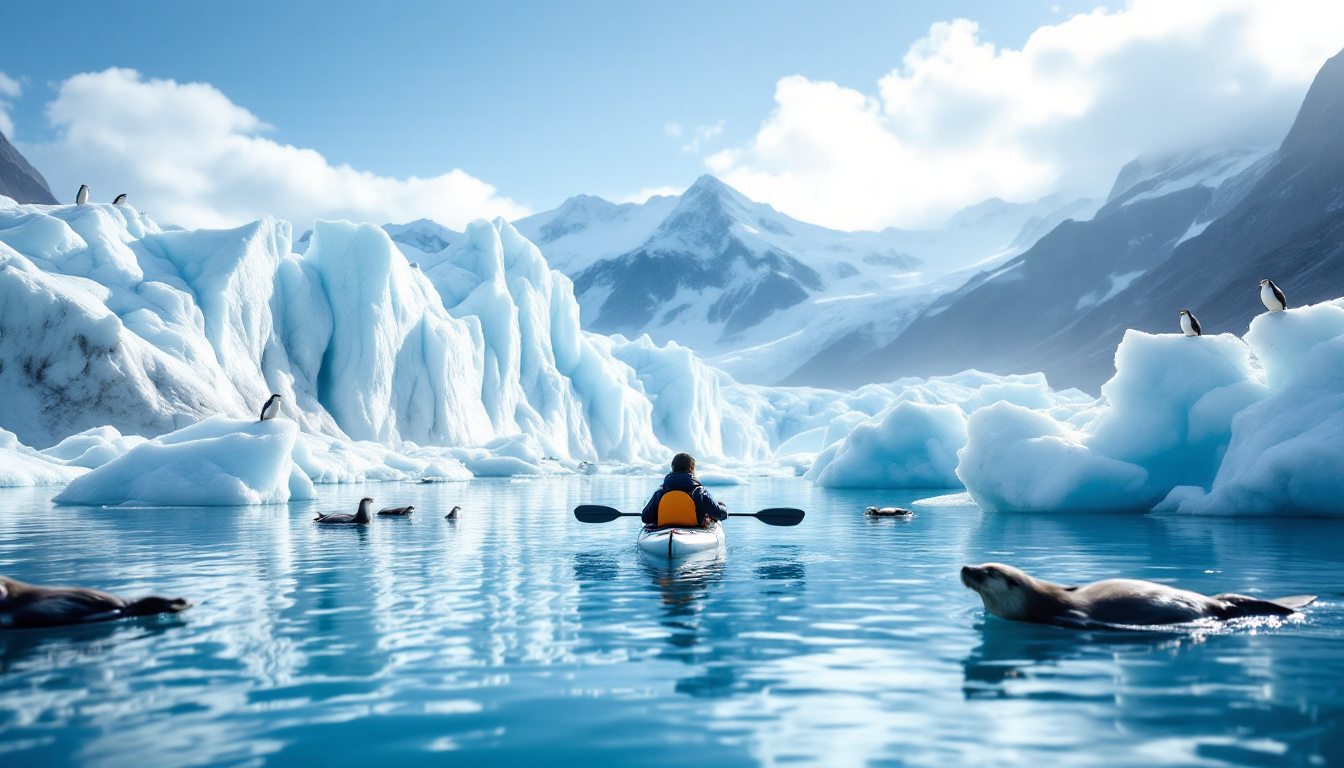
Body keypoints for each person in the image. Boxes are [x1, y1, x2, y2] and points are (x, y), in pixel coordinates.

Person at [641, 453, 727, 528]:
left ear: (673, 468)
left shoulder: (661, 491)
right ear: (691, 469)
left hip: (664, 527)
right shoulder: (698, 491)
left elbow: (645, 517)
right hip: (694, 527)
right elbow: (719, 514)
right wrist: (723, 508)